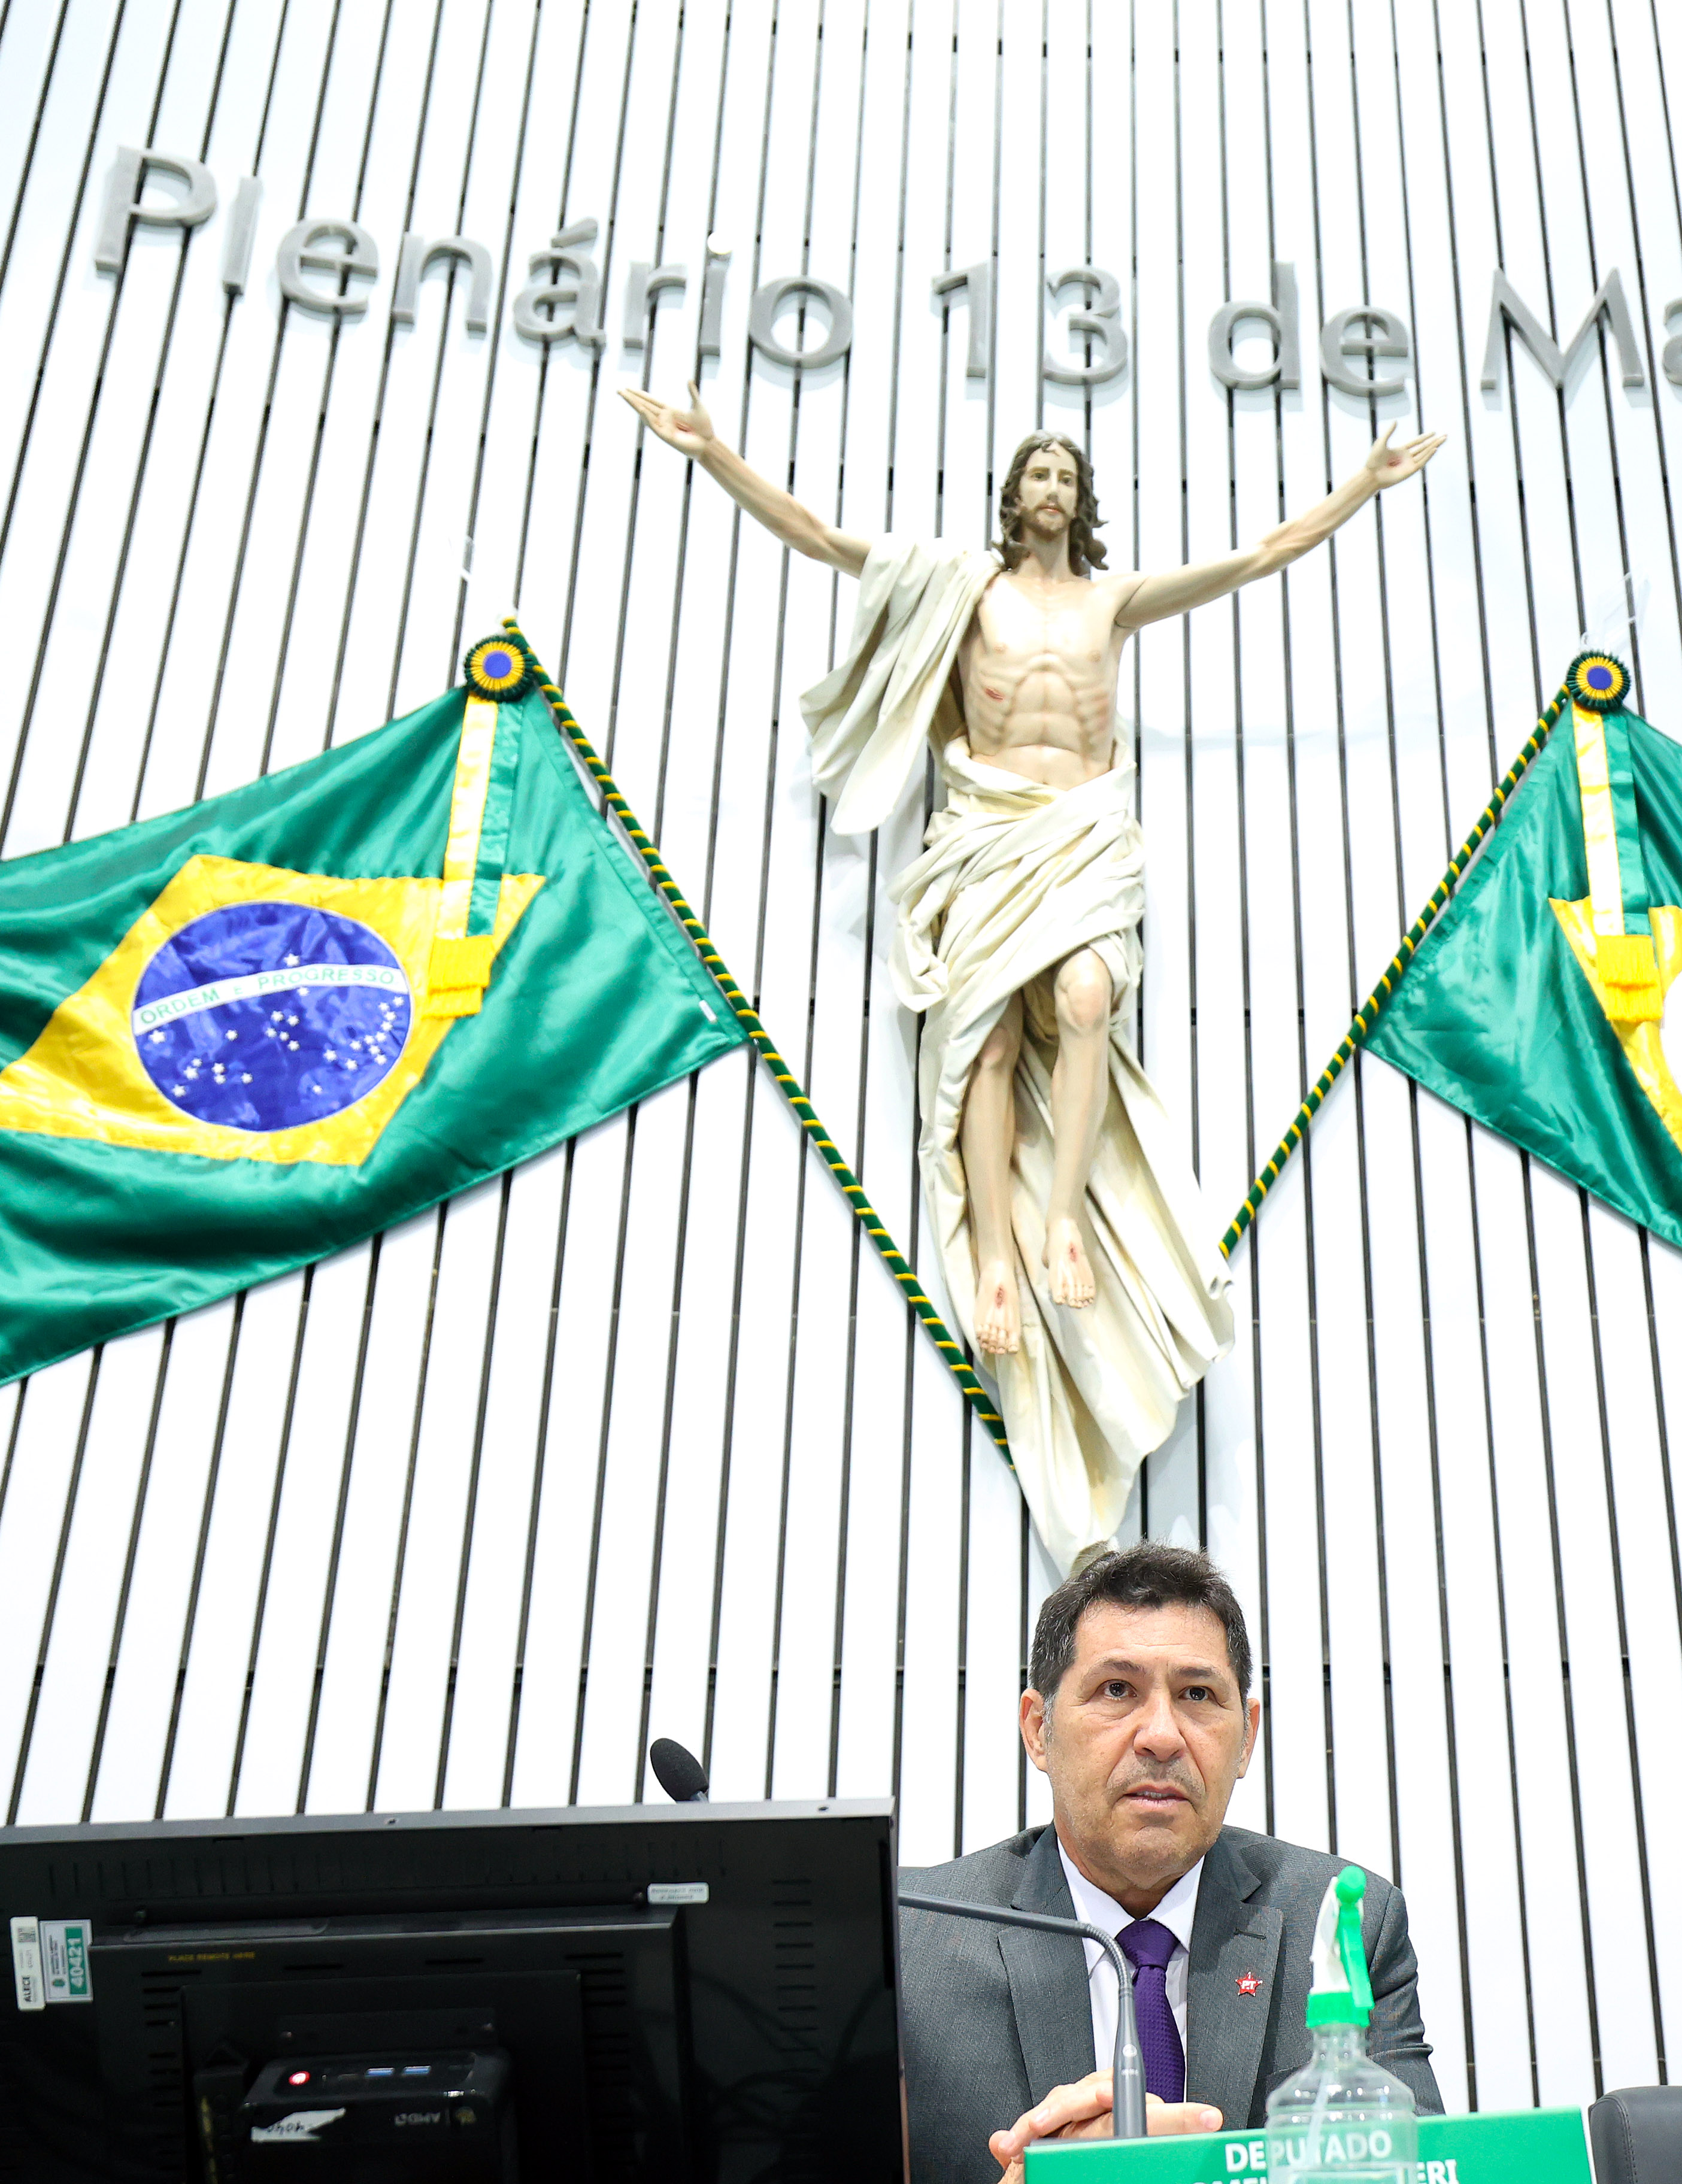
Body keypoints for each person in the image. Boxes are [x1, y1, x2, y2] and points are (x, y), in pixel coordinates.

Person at [623, 386, 1439, 1566]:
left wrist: (1360, 487)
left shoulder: (1114, 599)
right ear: (1012, 498)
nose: (1051, 488)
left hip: (1088, 832)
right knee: (990, 1044)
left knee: (1089, 999)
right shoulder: (965, 590)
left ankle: (1062, 1223)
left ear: (1081, 500)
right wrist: (715, 453)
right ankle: (998, 1256)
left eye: (1066, 474)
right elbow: (817, 535)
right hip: (988, 831)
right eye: (1035, 473)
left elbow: (1260, 556)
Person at [896, 1543, 1440, 2184]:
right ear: (1039, 1728)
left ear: (1247, 1736)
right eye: (1117, 1689)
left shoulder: (1341, 1923)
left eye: (1198, 1694)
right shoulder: (910, 1941)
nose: (1161, 1736)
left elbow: (1417, 2169)